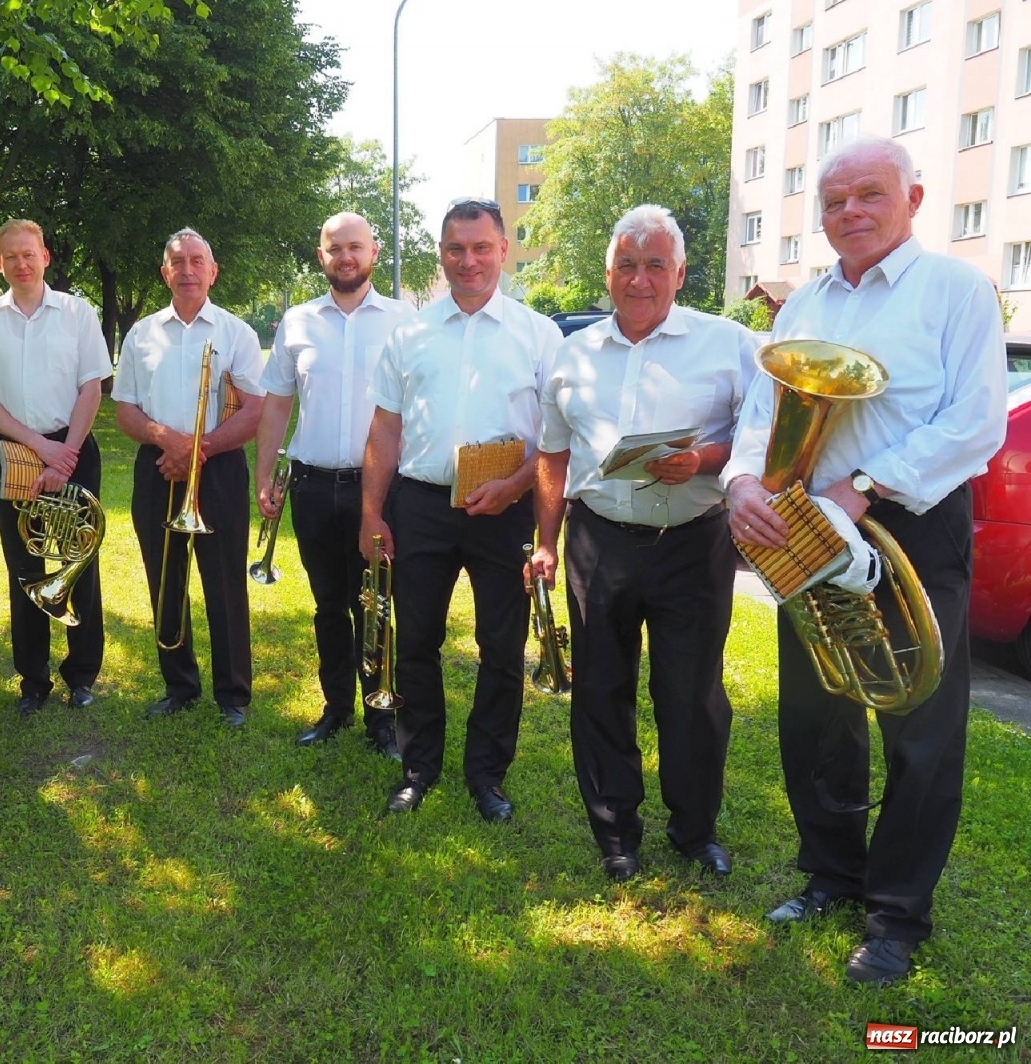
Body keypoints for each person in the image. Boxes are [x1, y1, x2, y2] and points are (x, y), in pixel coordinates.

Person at [724, 137, 1008, 984]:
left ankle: (895, 917)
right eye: (835, 200)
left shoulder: (956, 290)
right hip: (807, 524)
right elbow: (760, 409)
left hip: (909, 524)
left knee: (920, 725)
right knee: (816, 713)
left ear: (913, 199)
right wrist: (741, 481)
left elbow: (977, 423)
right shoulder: (806, 301)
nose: (850, 212)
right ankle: (830, 876)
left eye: (870, 195)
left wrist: (864, 486)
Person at [529, 204, 759, 882]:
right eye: (626, 265)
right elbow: (552, 454)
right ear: (607, 274)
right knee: (601, 690)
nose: (640, 279)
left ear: (680, 273)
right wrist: (546, 542)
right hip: (598, 542)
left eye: (656, 264)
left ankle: (695, 831)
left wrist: (706, 459)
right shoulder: (572, 353)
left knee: (692, 694)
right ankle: (615, 834)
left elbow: (759, 437)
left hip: (693, 542)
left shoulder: (728, 344)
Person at [359, 198, 562, 820]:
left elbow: (559, 439)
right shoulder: (410, 332)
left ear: (503, 250)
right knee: (415, 641)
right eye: (455, 249)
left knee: (501, 646)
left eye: (480, 248)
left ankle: (487, 776)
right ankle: (419, 768)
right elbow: (385, 428)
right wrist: (371, 511)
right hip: (421, 505)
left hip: (506, 509)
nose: (467, 260)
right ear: (441, 254)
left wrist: (516, 486)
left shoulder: (539, 335)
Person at [254, 212, 412, 755]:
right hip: (313, 487)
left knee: (377, 603)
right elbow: (277, 402)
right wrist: (263, 474)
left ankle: (382, 718)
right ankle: (337, 707)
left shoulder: (403, 320)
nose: (346, 257)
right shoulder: (296, 321)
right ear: (321, 256)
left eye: (355, 247)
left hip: (381, 489)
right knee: (328, 604)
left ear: (373, 253)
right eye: (334, 248)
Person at [0, 219, 111, 715]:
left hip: (74, 446)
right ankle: (33, 680)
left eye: (29, 254)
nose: (21, 263)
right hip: (15, 452)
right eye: (11, 256)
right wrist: (40, 448)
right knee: (24, 566)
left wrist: (65, 453)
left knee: (78, 563)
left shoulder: (78, 312)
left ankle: (82, 675)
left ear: (45, 257)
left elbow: (92, 387)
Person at [114, 228, 265, 727]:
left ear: (212, 271)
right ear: (165, 273)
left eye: (197, 261)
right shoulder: (141, 335)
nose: (187, 270)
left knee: (225, 582)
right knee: (165, 580)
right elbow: (125, 410)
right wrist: (167, 440)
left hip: (218, 467)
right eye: (177, 262)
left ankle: (233, 694)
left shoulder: (237, 333)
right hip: (158, 466)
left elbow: (256, 410)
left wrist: (198, 451)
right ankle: (179, 685)